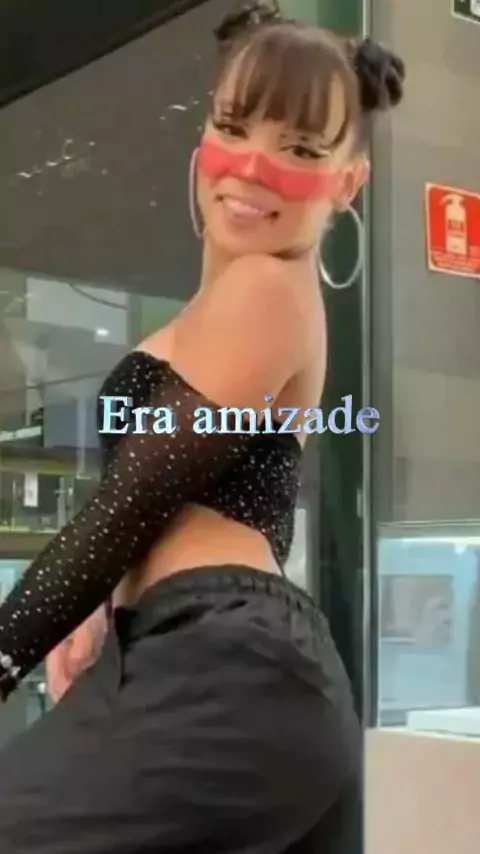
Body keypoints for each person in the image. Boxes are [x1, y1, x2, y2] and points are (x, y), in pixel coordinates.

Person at [0, 3, 405, 851]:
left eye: (301, 149)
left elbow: (128, 506)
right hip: (203, 656)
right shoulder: (228, 306)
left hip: (228, 658)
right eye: (234, 126)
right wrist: (108, 608)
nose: (253, 167)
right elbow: (177, 499)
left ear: (348, 183)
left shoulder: (268, 289)